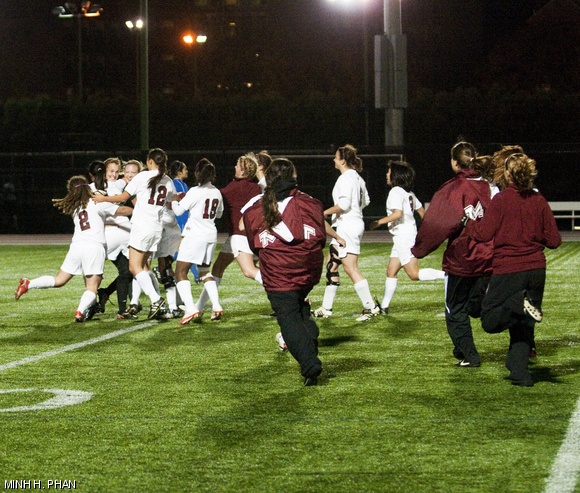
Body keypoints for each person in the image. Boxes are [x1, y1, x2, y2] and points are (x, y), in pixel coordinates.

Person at [463, 148, 562, 386]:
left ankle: (518, 303)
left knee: (489, 320)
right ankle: (520, 372)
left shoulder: (502, 199)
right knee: (523, 326)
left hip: (510, 269)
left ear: (508, 175)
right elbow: (555, 241)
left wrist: (469, 224)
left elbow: (485, 233)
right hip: (536, 270)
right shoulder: (538, 201)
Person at [411, 141, 499, 368]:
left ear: (454, 162)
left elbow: (437, 223)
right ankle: (464, 346)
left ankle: (470, 355)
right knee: (473, 306)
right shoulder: (491, 185)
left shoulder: (454, 187)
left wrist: (419, 249)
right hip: (490, 255)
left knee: (455, 309)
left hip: (463, 257)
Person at [242, 158, 326, 386]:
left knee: (288, 317)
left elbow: (253, 244)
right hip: (308, 269)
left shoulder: (255, 207)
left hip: (279, 273)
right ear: (294, 177)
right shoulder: (311, 202)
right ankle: (308, 339)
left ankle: (310, 364)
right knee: (299, 308)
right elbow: (321, 238)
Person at [14, 175, 132, 321]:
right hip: (94, 247)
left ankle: (29, 284)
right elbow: (125, 211)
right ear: (87, 188)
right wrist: (113, 200)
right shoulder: (98, 203)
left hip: (76, 247)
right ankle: (80, 311)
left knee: (58, 280)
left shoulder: (74, 206)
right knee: (91, 288)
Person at [92, 148, 175, 320]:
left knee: (134, 267)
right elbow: (171, 202)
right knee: (142, 267)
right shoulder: (167, 180)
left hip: (142, 227)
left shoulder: (143, 177)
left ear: (150, 161)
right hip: (156, 228)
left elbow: (123, 197)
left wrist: (103, 199)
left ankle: (156, 300)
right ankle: (137, 303)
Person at [311, 144, 379, 322]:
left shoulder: (346, 178)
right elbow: (366, 201)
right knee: (331, 264)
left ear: (342, 160)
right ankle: (326, 308)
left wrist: (323, 213)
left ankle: (370, 307)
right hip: (351, 224)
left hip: (347, 226)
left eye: (336, 157)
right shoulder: (357, 178)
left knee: (350, 267)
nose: (334, 159)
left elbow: (344, 205)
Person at [369, 161, 446, 313]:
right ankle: (384, 307)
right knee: (391, 271)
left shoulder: (396, 191)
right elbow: (422, 212)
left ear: (396, 175)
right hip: (404, 235)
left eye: (389, 171)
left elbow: (398, 213)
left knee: (414, 274)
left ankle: (448, 275)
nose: (386, 174)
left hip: (404, 236)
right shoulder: (408, 193)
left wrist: (378, 222)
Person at [193, 153, 264, 315]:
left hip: (239, 236)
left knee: (250, 271)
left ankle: (287, 293)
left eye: (238, 165)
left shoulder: (234, 187)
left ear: (244, 170)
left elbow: (214, 196)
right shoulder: (256, 187)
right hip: (251, 236)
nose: (235, 167)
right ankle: (199, 307)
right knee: (217, 268)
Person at [172, 158, 224, 325]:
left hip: (195, 235)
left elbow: (179, 210)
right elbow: (219, 214)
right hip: (210, 235)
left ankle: (190, 308)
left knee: (180, 272)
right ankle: (216, 305)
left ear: (197, 174)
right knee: (204, 272)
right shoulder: (217, 192)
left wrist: (174, 199)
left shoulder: (195, 191)